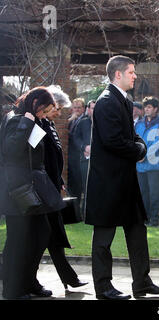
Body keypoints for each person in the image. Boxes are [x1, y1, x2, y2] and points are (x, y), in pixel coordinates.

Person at [85, 55, 159, 300]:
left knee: (137, 231)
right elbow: (113, 141)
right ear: (118, 74)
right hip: (108, 183)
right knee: (103, 238)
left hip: (124, 182)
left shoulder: (122, 100)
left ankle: (142, 282)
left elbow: (132, 135)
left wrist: (139, 147)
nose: (135, 76)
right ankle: (103, 288)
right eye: (131, 72)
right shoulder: (106, 101)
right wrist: (139, 151)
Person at [0, 87, 65, 299]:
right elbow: (11, 151)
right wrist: (28, 122)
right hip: (17, 192)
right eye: (43, 110)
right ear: (35, 102)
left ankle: (28, 281)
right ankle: (13, 289)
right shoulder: (16, 119)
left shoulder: (34, 120)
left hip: (32, 188)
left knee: (40, 235)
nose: (44, 115)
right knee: (18, 240)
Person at [42, 85, 88, 290]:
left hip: (51, 186)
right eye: (57, 108)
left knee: (54, 235)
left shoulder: (48, 125)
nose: (59, 113)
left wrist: (59, 179)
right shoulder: (39, 125)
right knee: (46, 236)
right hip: (43, 190)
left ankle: (68, 277)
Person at [135, 96, 159, 227]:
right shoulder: (139, 124)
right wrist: (138, 154)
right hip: (140, 165)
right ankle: (145, 217)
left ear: (155, 109)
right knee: (143, 193)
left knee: (154, 193)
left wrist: (145, 155)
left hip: (154, 165)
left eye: (149, 107)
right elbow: (135, 140)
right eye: (145, 107)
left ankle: (154, 218)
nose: (147, 110)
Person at [75, 99, 95, 213]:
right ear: (88, 109)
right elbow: (76, 138)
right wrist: (84, 147)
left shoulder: (103, 123)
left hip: (99, 161)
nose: (95, 110)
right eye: (92, 108)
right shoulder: (83, 122)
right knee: (86, 187)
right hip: (85, 160)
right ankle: (85, 212)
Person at [67, 98, 86, 210]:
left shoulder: (84, 120)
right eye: (75, 107)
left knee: (78, 185)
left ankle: (78, 210)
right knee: (72, 185)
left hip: (79, 157)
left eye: (79, 107)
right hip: (71, 157)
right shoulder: (72, 120)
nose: (77, 109)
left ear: (83, 108)